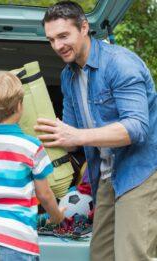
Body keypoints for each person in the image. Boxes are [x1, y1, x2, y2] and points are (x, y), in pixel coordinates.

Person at [36, 1, 157, 260]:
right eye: (51, 39)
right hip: (104, 175)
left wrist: (76, 135)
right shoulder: (68, 77)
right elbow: (70, 140)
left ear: (84, 27)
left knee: (131, 255)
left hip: (141, 172)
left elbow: (136, 128)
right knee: (100, 255)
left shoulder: (120, 65)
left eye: (63, 36)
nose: (57, 46)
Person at [0, 71, 65, 261]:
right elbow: (45, 194)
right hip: (17, 237)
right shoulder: (31, 146)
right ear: (20, 106)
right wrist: (57, 216)